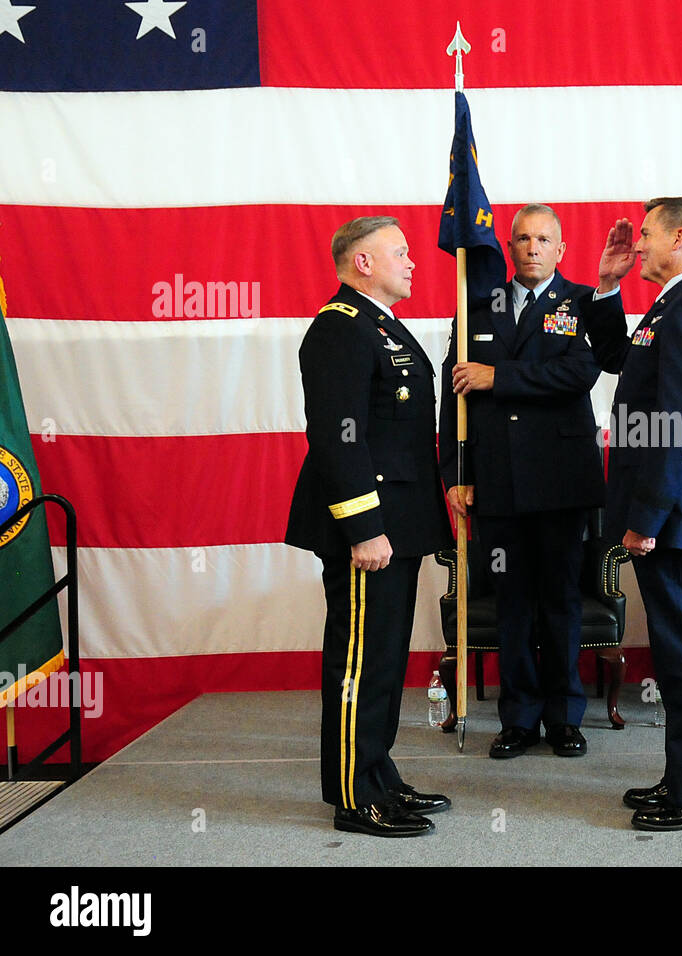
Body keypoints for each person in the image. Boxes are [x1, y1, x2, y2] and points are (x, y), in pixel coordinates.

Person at [286, 216, 453, 837]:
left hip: (398, 523)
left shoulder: (381, 326)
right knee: (358, 661)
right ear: (362, 262)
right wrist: (362, 527)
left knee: (383, 658)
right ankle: (354, 795)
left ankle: (377, 772)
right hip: (370, 527)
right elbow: (337, 437)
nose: (413, 262)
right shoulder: (341, 329)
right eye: (400, 253)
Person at [587, 197, 682, 832]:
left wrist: (648, 517)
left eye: (646, 234)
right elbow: (618, 358)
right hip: (666, 512)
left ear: (681, 236)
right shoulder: (671, 302)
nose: (639, 242)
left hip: (676, 514)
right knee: (675, 655)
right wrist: (606, 287)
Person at [439, 204, 606, 759]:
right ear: (509, 249)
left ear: (561, 249)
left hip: (560, 482)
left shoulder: (582, 303)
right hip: (497, 481)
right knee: (511, 602)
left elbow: (581, 373)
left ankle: (563, 716)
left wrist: (499, 377)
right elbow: (453, 396)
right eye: (523, 239)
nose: (532, 248)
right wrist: (455, 474)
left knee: (560, 600)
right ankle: (518, 717)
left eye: (544, 239)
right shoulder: (477, 304)